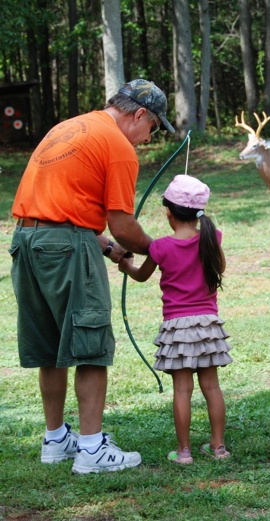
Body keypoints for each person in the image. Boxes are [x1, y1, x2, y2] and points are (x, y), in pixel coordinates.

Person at [9, 78, 176, 474]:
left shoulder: (69, 127)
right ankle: (91, 450)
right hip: (66, 247)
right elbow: (123, 226)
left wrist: (100, 245)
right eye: (151, 128)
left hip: (27, 241)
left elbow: (64, 203)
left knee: (50, 343)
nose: (147, 139)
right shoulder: (119, 147)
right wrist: (159, 251)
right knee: (90, 340)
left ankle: (55, 440)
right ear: (139, 115)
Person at [118, 174, 233, 464]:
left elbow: (142, 276)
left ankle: (183, 452)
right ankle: (218, 447)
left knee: (182, 389)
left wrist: (126, 265)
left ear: (168, 211)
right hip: (207, 326)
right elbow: (220, 266)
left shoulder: (160, 247)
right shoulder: (212, 237)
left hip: (177, 328)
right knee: (212, 387)